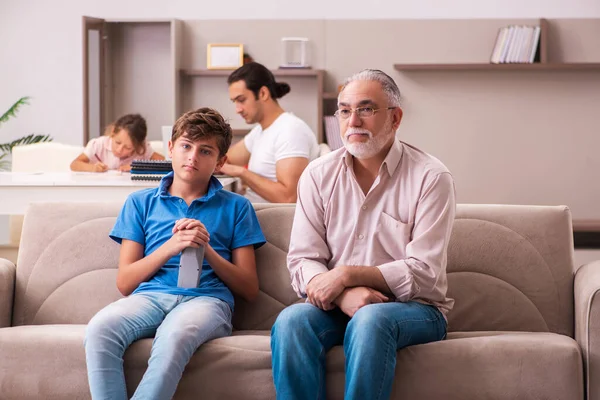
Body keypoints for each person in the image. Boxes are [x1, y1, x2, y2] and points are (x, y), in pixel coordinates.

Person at [270, 69, 456, 400]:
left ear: (395, 118)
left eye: (366, 109)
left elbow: (424, 272)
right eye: (344, 110)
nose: (352, 121)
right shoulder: (318, 174)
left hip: (415, 309)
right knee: (290, 322)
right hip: (336, 306)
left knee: (370, 321)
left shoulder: (431, 177)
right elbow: (303, 259)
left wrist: (346, 274)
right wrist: (342, 294)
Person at [84, 107, 266, 400]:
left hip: (208, 300)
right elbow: (125, 282)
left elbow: (249, 288)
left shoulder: (237, 207)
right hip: (150, 297)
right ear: (170, 148)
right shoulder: (139, 202)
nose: (192, 157)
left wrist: (206, 250)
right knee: (100, 329)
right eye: (185, 146)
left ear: (220, 161)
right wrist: (172, 246)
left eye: (205, 151)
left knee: (175, 334)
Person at [220, 62, 319, 203]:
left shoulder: (291, 130)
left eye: (241, 100)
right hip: (253, 212)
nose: (238, 109)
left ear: (263, 93)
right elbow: (227, 158)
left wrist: (242, 172)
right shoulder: (260, 130)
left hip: (268, 220)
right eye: (234, 102)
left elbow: (289, 198)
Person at [71, 113, 165, 172]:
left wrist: (139, 167)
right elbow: (74, 164)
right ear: (112, 133)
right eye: (117, 142)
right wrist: (92, 168)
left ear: (137, 146)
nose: (120, 150)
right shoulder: (98, 145)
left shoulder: (142, 149)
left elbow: (167, 165)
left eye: (128, 148)